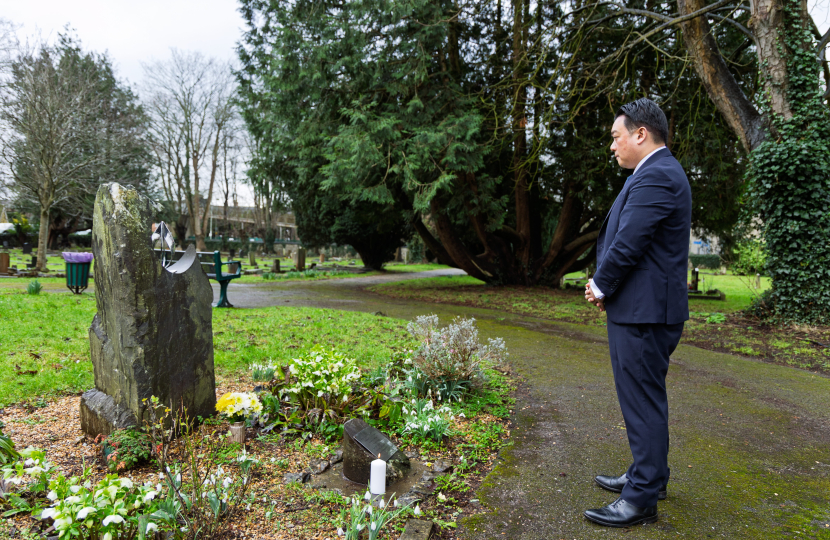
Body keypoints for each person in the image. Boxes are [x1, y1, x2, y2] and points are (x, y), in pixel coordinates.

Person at [583, 97, 692, 528]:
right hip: (644, 309)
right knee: (647, 398)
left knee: (641, 402)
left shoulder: (658, 176)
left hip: (644, 313)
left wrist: (600, 283)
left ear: (640, 134)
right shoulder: (656, 172)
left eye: (616, 136)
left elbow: (630, 241)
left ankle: (641, 497)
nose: (613, 146)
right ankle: (650, 476)